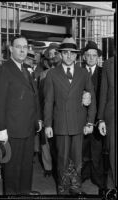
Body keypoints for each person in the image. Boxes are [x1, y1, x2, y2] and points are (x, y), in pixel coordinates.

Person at [44, 37, 96, 195]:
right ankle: (62, 188)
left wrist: (90, 122)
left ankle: (75, 187)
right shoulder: (52, 74)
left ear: (76, 56)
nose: (69, 56)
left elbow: (91, 98)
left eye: (72, 53)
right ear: (60, 54)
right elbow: (48, 101)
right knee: (62, 157)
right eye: (65, 53)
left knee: (77, 157)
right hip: (61, 123)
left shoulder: (83, 73)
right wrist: (47, 125)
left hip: (79, 123)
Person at [0, 35, 42, 195]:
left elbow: (34, 98)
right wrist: (1, 130)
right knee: (12, 169)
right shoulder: (3, 70)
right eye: (18, 46)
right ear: (11, 49)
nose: (22, 50)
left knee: (26, 166)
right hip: (12, 131)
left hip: (28, 128)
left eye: (25, 47)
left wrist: (38, 119)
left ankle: (24, 192)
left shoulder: (26, 70)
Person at [81, 41, 105, 195]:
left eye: (94, 55)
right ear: (84, 56)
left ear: (98, 57)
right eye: (88, 55)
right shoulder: (78, 72)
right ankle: (83, 175)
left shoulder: (104, 73)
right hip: (81, 118)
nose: (91, 58)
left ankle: (97, 178)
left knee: (97, 150)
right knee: (82, 150)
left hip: (98, 119)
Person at [39, 43, 61, 177]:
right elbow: (41, 96)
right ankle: (48, 167)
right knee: (45, 142)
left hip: (59, 112)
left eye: (55, 53)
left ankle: (60, 168)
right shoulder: (43, 74)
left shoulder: (66, 72)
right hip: (46, 111)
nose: (52, 57)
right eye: (50, 54)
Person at [98, 56, 117, 197]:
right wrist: (101, 119)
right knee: (113, 153)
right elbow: (103, 93)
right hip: (112, 116)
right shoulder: (108, 64)